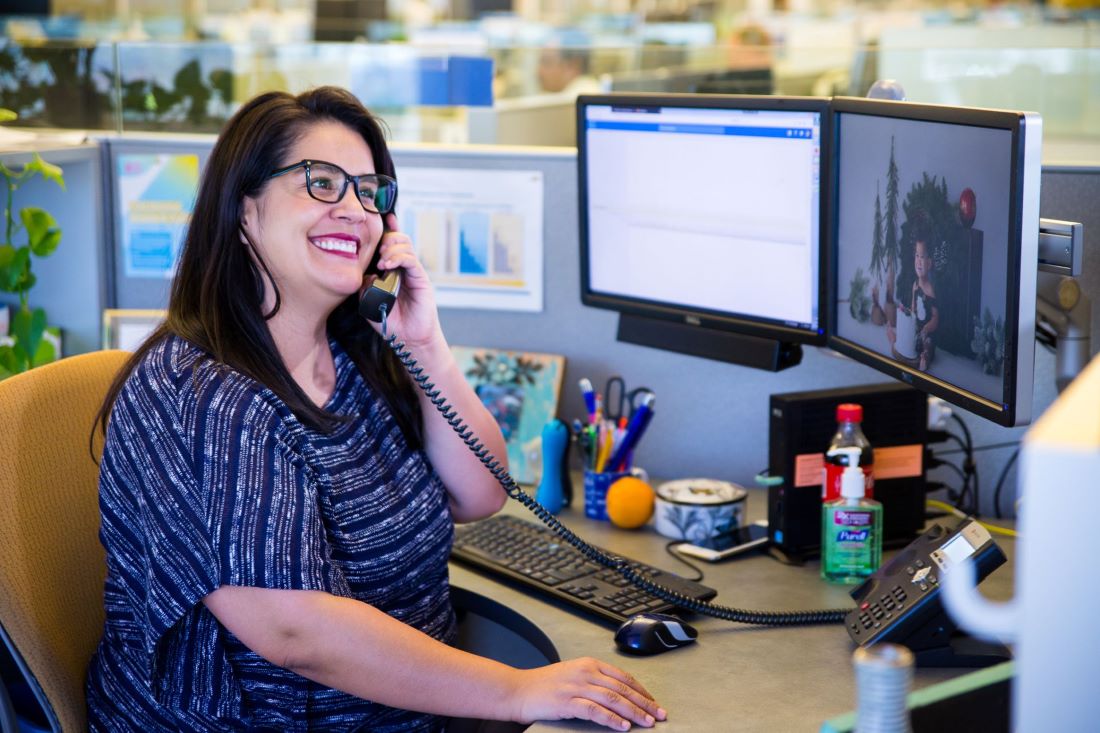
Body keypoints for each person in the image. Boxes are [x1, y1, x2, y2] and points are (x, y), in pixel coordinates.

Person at [86, 86, 665, 732]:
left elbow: (480, 493)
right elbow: (294, 629)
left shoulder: (354, 350)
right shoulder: (195, 395)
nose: (356, 211)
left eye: (370, 191)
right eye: (323, 183)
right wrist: (516, 691)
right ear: (244, 208)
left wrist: (425, 344)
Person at [909, 236, 939, 371]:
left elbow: (935, 318)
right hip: (916, 329)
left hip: (926, 332)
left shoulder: (930, 290)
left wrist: (926, 329)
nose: (919, 262)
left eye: (922, 257)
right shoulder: (915, 285)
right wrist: (909, 314)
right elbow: (913, 307)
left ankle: (925, 357)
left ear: (929, 263)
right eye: (917, 256)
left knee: (928, 343)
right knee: (907, 338)